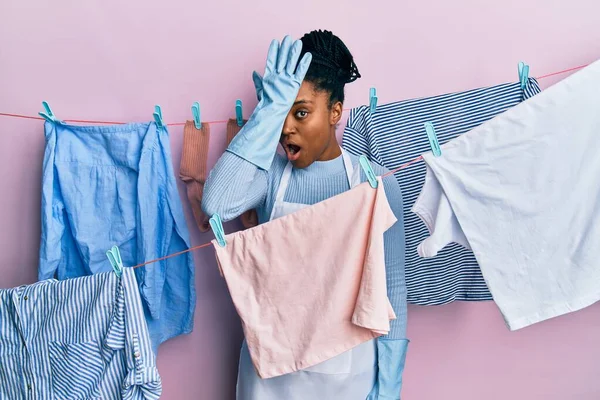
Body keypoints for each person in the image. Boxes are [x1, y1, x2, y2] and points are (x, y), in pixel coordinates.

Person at [202, 30, 409, 400]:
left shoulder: (375, 183)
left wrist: (389, 387)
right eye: (282, 113)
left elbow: (392, 289)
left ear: (335, 112)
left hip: (347, 377)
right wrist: (267, 112)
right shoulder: (268, 180)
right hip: (270, 379)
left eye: (300, 112)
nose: (287, 128)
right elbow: (216, 205)